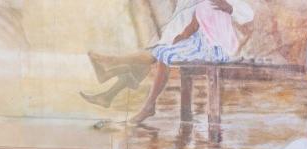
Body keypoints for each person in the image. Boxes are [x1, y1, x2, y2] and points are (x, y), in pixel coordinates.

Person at [86, 0, 255, 122]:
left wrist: (230, 8)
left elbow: (246, 15)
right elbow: (190, 25)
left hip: (208, 45)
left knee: (159, 54)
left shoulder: (218, 4)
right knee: (160, 53)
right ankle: (112, 79)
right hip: (188, 38)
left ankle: (111, 67)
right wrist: (179, 36)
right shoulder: (199, 6)